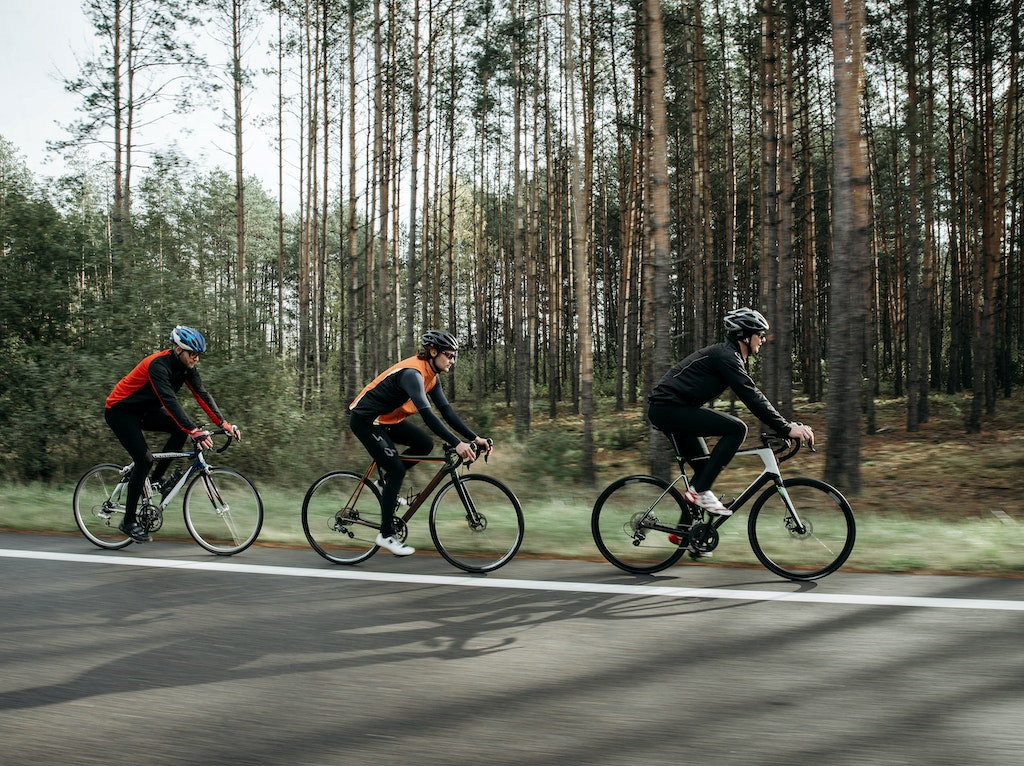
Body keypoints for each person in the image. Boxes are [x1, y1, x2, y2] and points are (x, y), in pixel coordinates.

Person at [647, 307, 814, 517]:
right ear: (745, 336)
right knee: (737, 429)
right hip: (668, 408)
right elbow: (751, 395)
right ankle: (699, 492)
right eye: (760, 335)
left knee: (704, 469)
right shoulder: (727, 357)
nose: (763, 340)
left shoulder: (730, 356)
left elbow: (752, 394)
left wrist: (784, 425)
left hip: (674, 408)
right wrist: (785, 427)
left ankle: (686, 535)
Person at [349, 330, 492, 556]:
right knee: (396, 469)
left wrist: (475, 438)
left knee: (424, 445)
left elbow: (446, 411)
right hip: (366, 421)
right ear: (433, 352)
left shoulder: (431, 378)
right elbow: (428, 415)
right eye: (449, 355)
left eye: (455, 356)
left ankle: (383, 485)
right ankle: (386, 534)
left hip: (388, 420)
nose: (452, 360)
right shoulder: (413, 373)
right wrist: (456, 443)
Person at [104, 326, 241, 543]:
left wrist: (223, 423)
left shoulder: (186, 368)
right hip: (121, 411)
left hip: (144, 411)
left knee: (179, 430)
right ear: (178, 349)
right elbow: (169, 401)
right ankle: (128, 521)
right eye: (193, 354)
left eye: (198, 355)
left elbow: (202, 395)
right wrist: (194, 430)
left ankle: (157, 480)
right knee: (144, 459)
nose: (196, 359)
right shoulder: (158, 365)